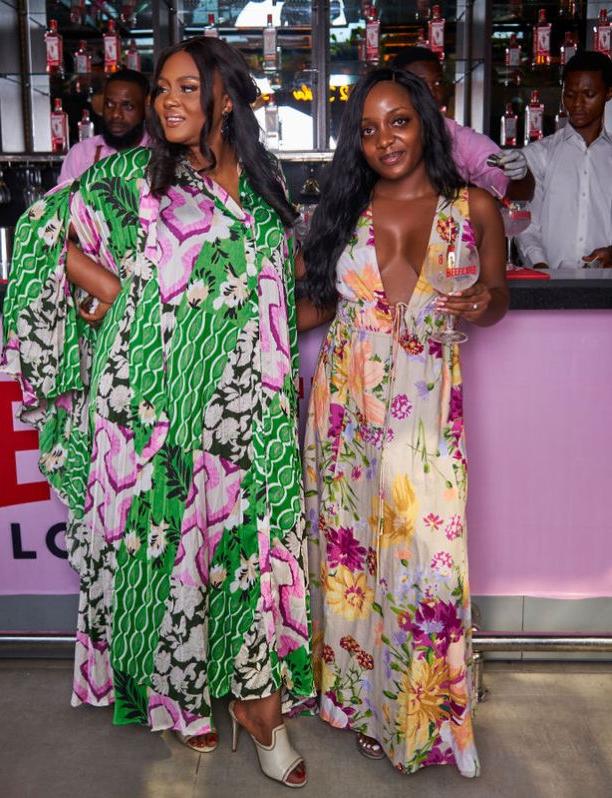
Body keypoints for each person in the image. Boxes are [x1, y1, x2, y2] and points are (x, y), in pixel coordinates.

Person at [0, 37, 313, 788]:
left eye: (185, 88)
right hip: (155, 406)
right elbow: (43, 233)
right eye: (162, 88)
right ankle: (187, 698)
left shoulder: (266, 177)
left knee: (252, 556)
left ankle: (258, 709)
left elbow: (281, 275)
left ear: (224, 99)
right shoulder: (134, 177)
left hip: (251, 408)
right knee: (172, 553)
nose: (167, 101)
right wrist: (115, 295)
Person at [297, 69, 507, 777]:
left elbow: (497, 294)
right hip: (345, 411)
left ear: (425, 123)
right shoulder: (344, 209)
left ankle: (432, 720)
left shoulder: (473, 206)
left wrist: (483, 302)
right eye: (368, 128)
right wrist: (242, 321)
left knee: (428, 565)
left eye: (399, 122)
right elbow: (319, 306)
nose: (385, 139)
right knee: (352, 561)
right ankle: (362, 706)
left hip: (424, 410)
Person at [392, 47, 534, 201]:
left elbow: (512, 194)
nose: (432, 92)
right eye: (421, 83)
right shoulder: (382, 136)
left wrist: (521, 175)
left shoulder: (460, 139)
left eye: (438, 82)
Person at [516, 51, 612, 270]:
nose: (577, 104)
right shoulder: (538, 155)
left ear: (608, 93)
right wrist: (542, 270)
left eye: (589, 94)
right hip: (549, 282)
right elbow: (526, 223)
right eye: (569, 94)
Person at [58, 68, 151, 183]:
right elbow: (64, 194)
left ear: (145, 109)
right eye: (109, 104)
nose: (116, 114)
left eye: (128, 106)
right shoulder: (80, 153)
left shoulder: (160, 154)